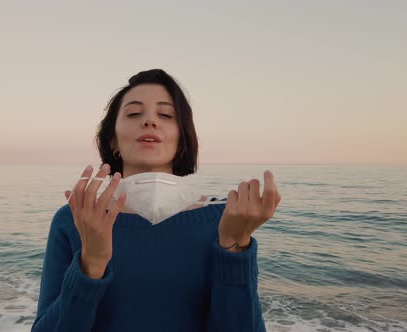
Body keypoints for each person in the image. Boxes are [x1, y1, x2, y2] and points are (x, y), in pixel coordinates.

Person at [31, 69, 281, 332]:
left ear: (181, 139)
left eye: (165, 115)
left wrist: (234, 246)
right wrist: (91, 261)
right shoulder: (74, 218)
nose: (150, 121)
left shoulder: (225, 219)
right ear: (113, 140)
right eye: (134, 113)